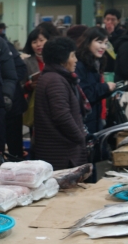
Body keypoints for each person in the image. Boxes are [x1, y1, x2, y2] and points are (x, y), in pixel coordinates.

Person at [33, 37, 88, 170]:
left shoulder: (51, 76)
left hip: (57, 152)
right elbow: (62, 116)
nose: (76, 60)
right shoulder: (55, 80)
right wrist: (80, 138)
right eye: (72, 55)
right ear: (62, 59)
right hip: (61, 155)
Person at [75, 27, 116, 134]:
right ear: (88, 41)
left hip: (94, 118)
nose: (103, 46)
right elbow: (85, 93)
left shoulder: (95, 62)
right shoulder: (79, 64)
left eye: (105, 43)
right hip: (83, 120)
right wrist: (105, 87)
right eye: (99, 42)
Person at [22, 27, 52, 128]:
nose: (38, 44)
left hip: (54, 103)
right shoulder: (27, 62)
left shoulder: (56, 59)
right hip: (36, 105)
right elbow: (21, 85)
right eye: (34, 42)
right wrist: (29, 85)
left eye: (41, 40)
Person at [104, 8, 124, 74]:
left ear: (118, 20)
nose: (109, 22)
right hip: (103, 67)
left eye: (113, 20)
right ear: (104, 20)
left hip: (116, 68)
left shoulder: (123, 34)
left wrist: (111, 34)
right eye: (107, 19)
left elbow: (116, 48)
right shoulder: (99, 32)